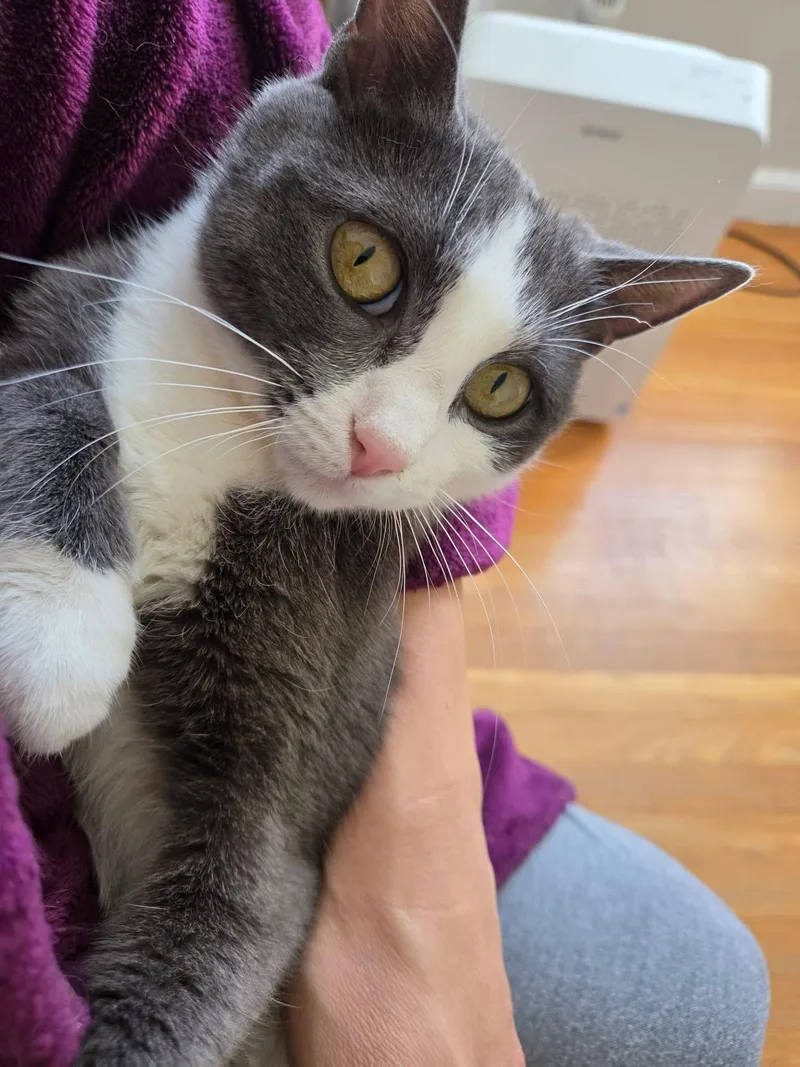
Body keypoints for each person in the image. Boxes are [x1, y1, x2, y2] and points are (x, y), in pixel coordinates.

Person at [0, 2, 769, 1065]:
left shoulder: (352, 547)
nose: (387, 443)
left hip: (249, 940)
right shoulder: (120, 313)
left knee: (712, 988)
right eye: (366, 268)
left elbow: (241, 889)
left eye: (494, 392)